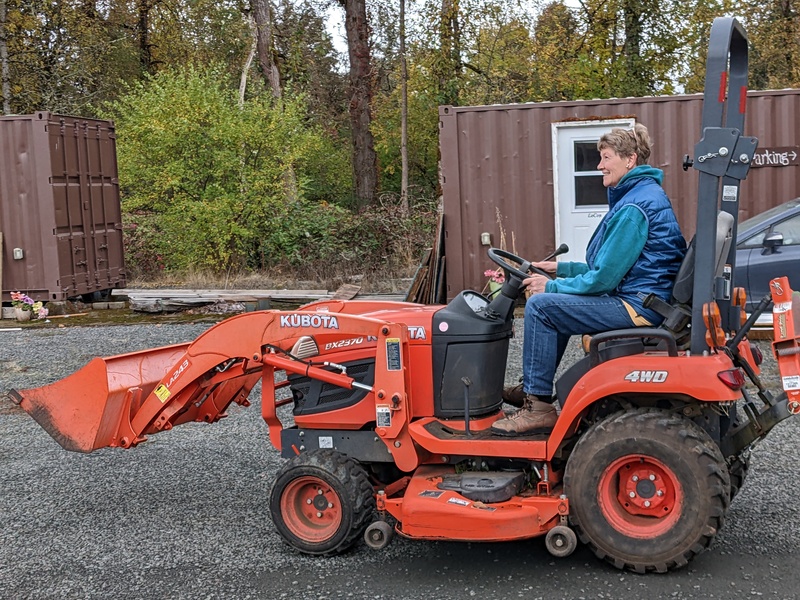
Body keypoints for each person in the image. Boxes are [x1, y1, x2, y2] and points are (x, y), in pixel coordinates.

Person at [491, 123, 687, 436]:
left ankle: (538, 407)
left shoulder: (635, 206)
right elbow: (610, 267)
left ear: (629, 160)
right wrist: (560, 269)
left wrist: (550, 286)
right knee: (554, 304)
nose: (599, 165)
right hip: (642, 297)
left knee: (543, 307)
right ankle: (533, 388)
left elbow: (604, 281)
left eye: (605, 157)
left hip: (638, 305)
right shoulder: (641, 196)